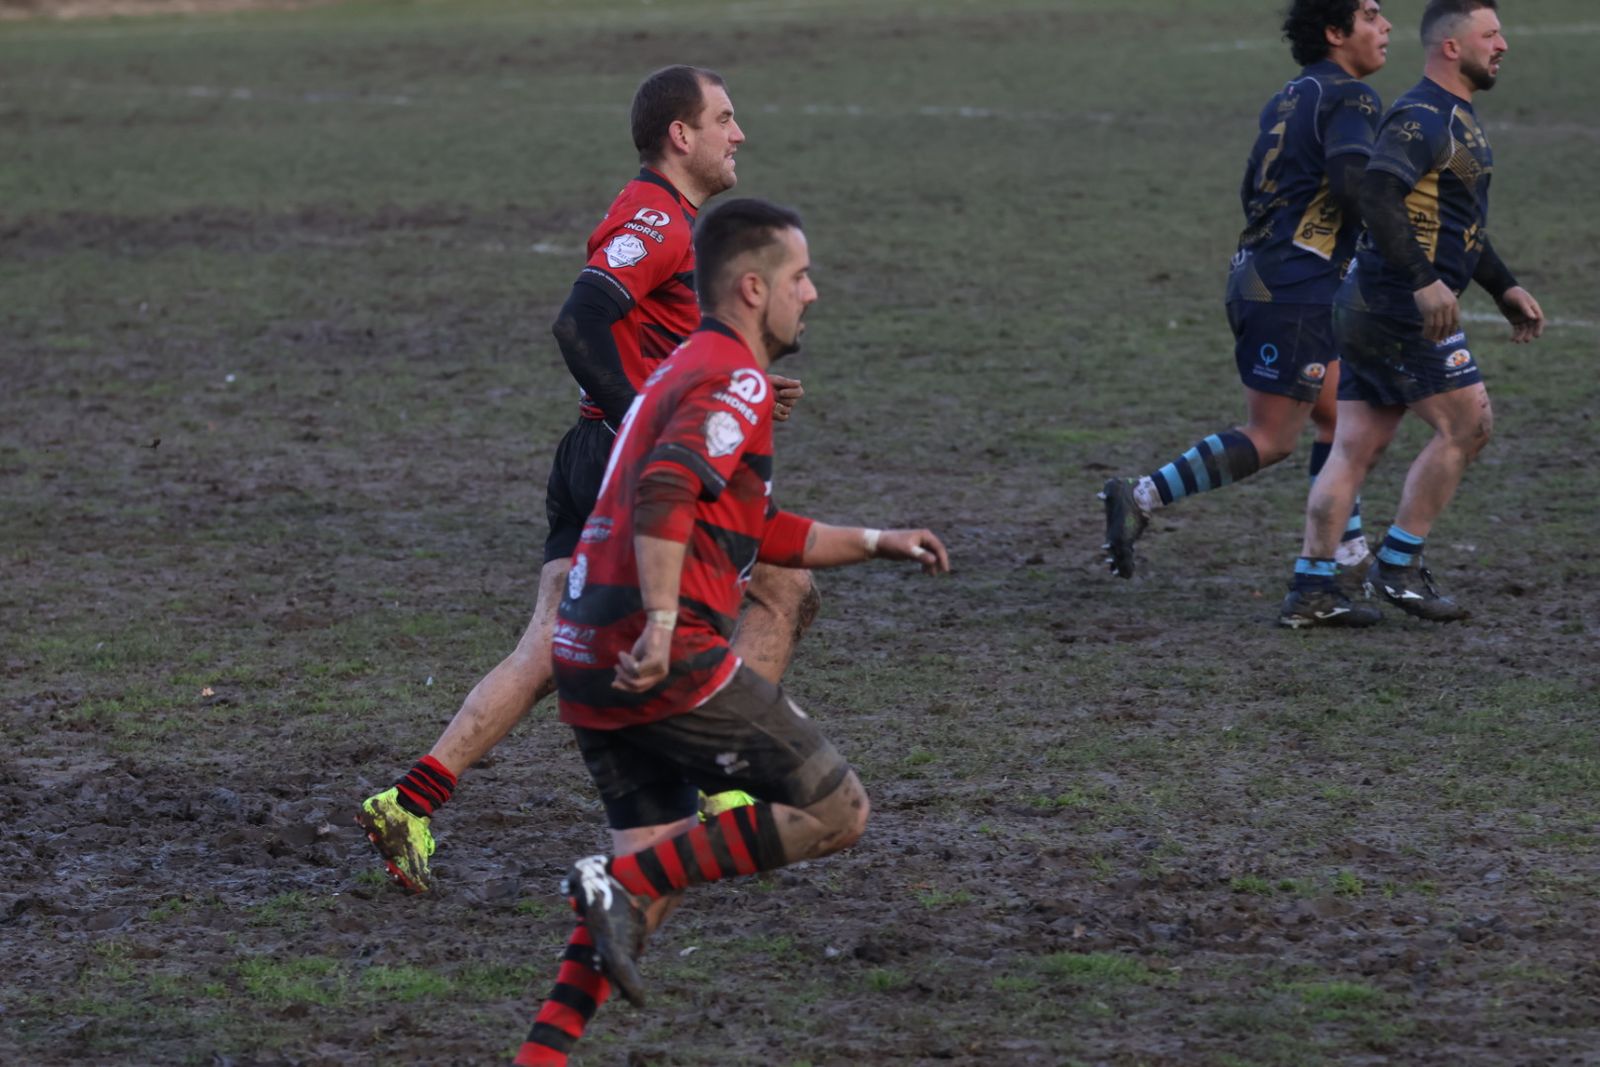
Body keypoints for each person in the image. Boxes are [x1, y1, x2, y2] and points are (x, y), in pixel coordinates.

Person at [357, 66, 819, 893]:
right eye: (724, 117)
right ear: (683, 135)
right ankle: (723, 783)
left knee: (547, 645)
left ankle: (411, 798)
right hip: (622, 458)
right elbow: (581, 320)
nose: (738, 133)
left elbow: (656, 336)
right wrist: (649, 423)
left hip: (591, 450)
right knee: (784, 588)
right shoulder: (655, 218)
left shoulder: (676, 222)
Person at [511, 199, 949, 1066]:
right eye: (799, 277)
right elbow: (670, 488)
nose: (812, 294)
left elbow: (760, 525)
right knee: (838, 809)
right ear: (754, 288)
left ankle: (541, 1053)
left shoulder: (683, 367)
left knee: (642, 897)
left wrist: (875, 541)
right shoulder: (736, 380)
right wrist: (669, 623)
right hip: (659, 658)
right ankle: (615, 880)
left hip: (589, 659)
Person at [1101, 0, 1391, 582]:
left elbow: (1254, 186)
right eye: (1371, 15)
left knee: (1341, 417)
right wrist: (1397, 241)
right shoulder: (1353, 96)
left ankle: (1347, 551)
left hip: (1265, 272)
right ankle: (1142, 496)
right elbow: (1351, 180)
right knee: (1273, 436)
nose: (1386, 27)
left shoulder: (1289, 96)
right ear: (1336, 33)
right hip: (1295, 287)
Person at [1280, 0, 1544, 628]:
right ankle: (1397, 566)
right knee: (1469, 424)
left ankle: (1311, 589)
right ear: (1452, 47)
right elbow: (1375, 192)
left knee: (1354, 449)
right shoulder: (1422, 114)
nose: (1502, 45)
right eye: (1490, 34)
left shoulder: (1454, 117)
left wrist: (1501, 286)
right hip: (1399, 306)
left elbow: (1456, 226)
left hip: (1373, 303)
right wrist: (1425, 283)